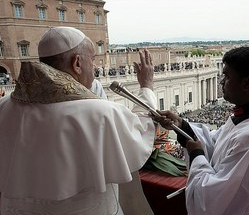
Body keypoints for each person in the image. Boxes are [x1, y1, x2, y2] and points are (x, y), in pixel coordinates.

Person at [0, 27, 156, 215]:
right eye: (93, 60)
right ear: (77, 63)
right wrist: (146, 87)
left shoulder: (3, 106)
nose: (96, 67)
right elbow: (138, 134)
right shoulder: (100, 113)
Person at [154, 46, 249, 215]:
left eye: (227, 76)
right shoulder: (247, 118)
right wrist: (181, 126)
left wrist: (196, 154)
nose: (222, 81)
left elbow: (211, 202)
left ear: (247, 83)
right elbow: (216, 143)